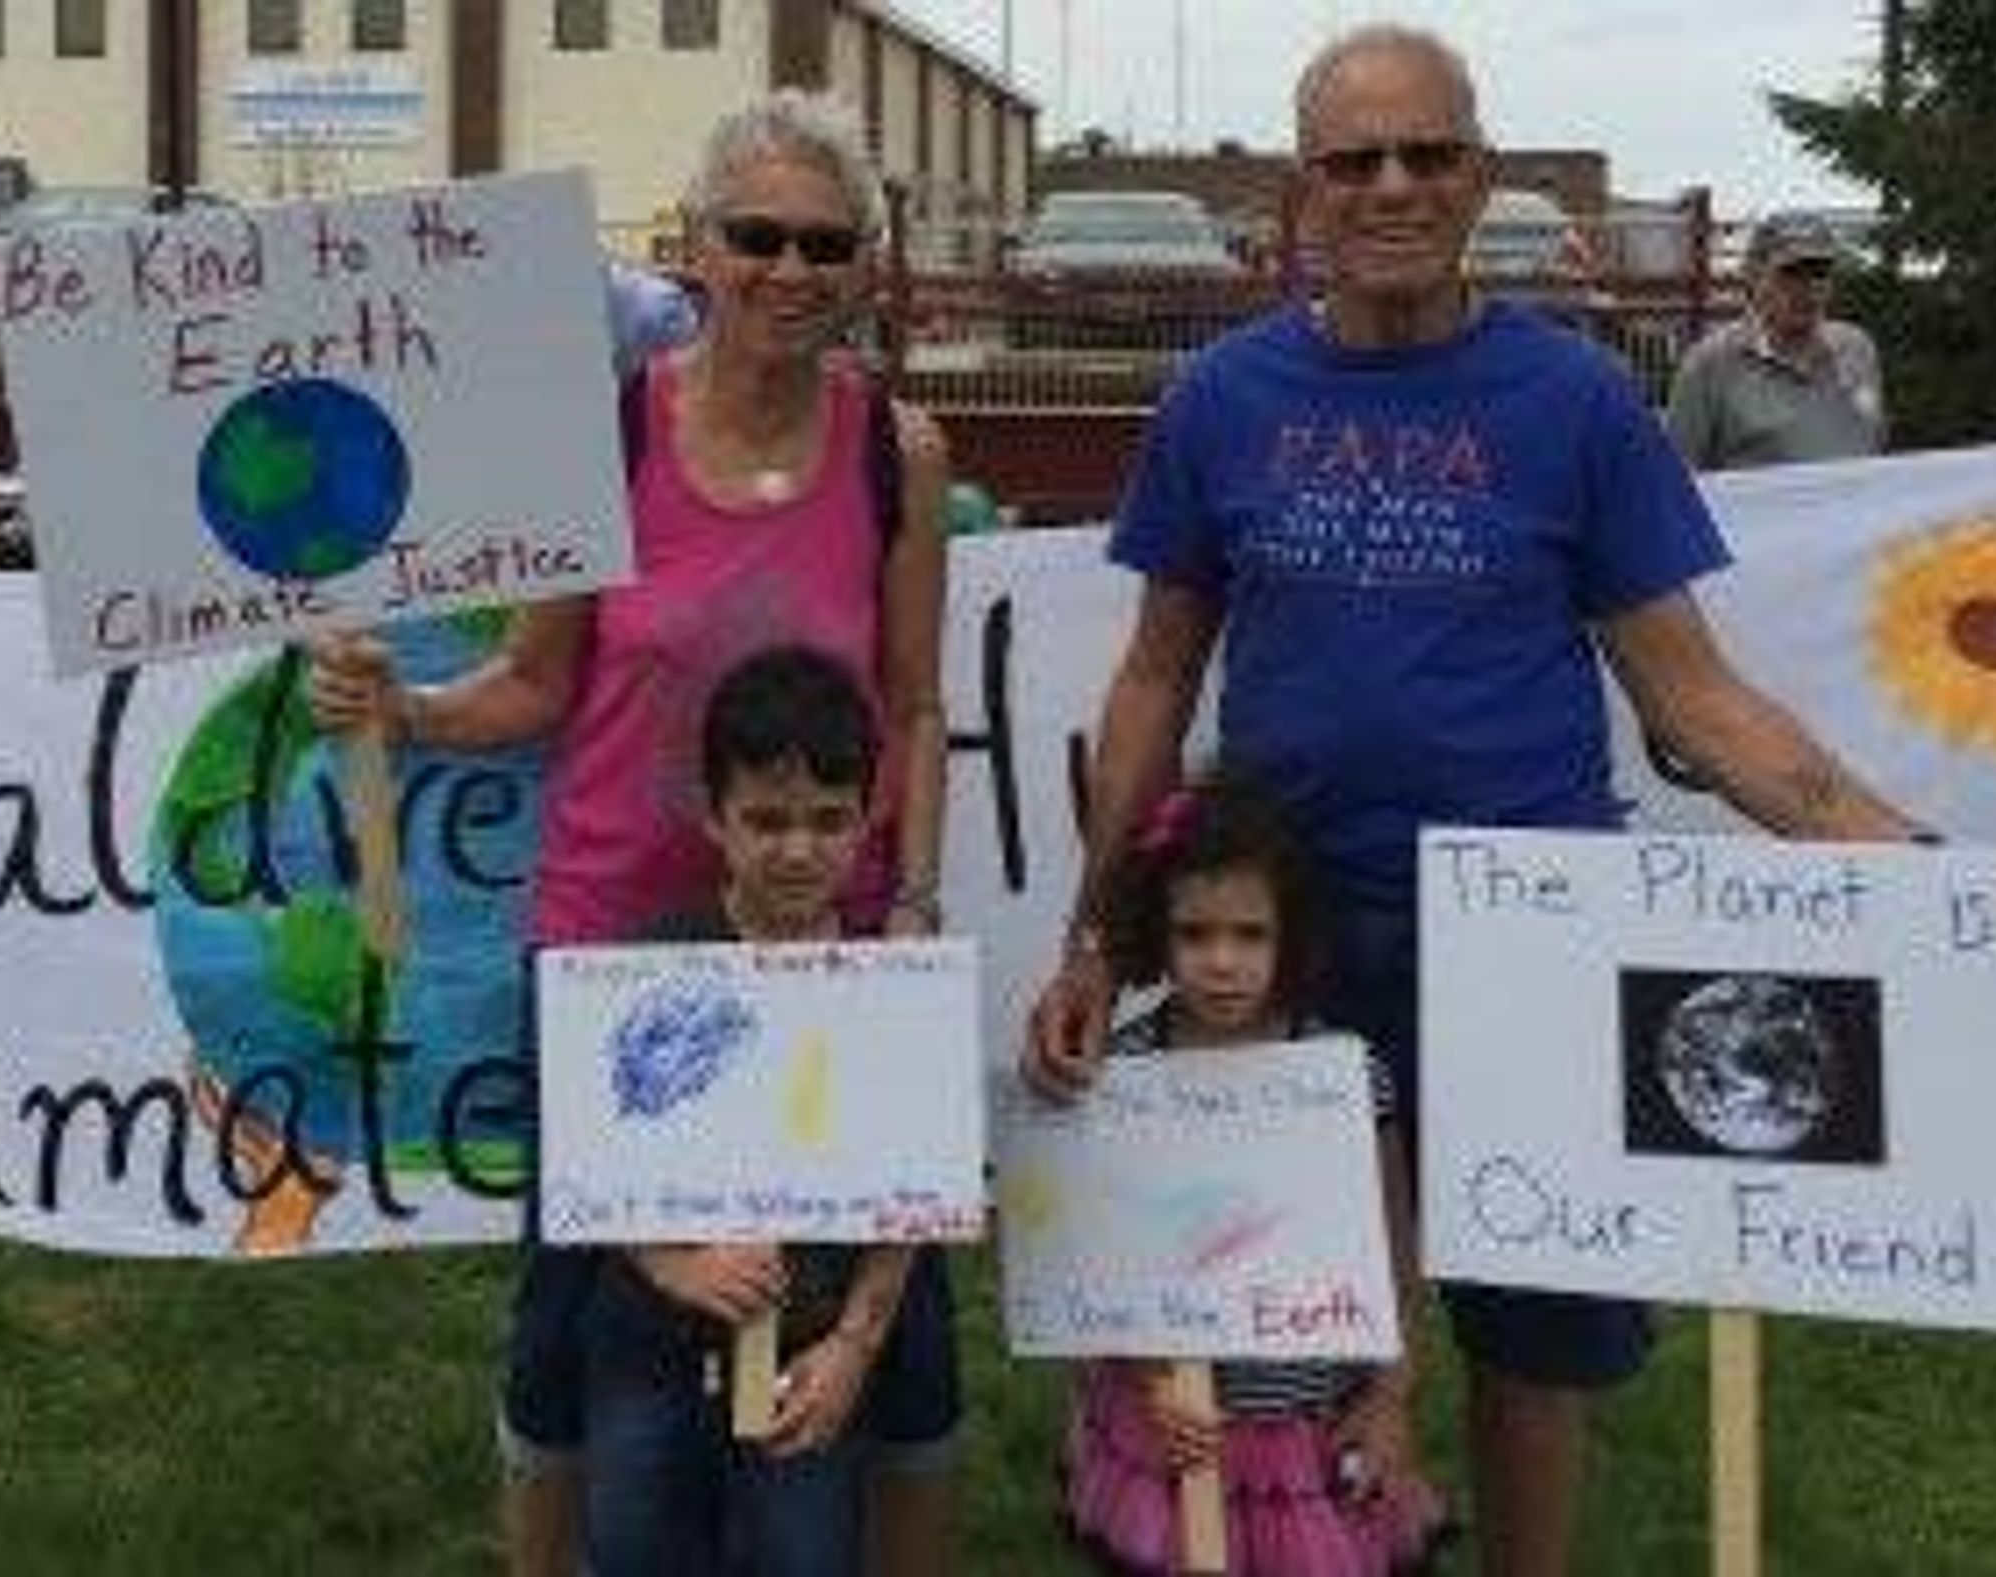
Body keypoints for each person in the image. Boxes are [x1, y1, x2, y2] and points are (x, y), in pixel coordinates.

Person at [1021, 25, 1996, 1577]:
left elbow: (1701, 699)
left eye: (1427, 153)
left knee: (1534, 1338)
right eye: (1353, 159)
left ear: (1478, 171)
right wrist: (1088, 936)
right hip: (1281, 946)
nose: (1391, 184)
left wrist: (1944, 882)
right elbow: (1149, 679)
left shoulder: (1579, 401)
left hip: (1530, 945)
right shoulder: (1218, 399)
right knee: (1277, 1321)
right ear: (1300, 190)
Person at [311, 90, 955, 1577]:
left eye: (825, 242)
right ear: (694, 248)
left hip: (823, 952)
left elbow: (914, 703)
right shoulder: (604, 429)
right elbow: (539, 681)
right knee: (572, 1326)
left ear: (861, 262)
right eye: (757, 237)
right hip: (612, 956)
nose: (790, 271)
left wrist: (909, 893)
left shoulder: (895, 453)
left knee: (892, 1334)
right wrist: (398, 711)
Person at [1060, 770, 1450, 1576]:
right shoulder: (1125, 1071)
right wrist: (1151, 1380)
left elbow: (1393, 1254)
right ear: (1157, 934)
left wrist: (1389, 1395)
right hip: (1169, 1416)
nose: (1222, 961)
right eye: (1195, 934)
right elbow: (1095, 1260)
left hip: (1309, 1423)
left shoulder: (1345, 1076)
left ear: (1291, 934)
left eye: (1249, 934)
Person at [580, 645, 918, 1577]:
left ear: (866, 817)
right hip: (649, 1339)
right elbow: (596, 1162)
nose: (799, 849)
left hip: (811, 1344)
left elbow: (910, 1192)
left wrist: (854, 1344)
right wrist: (675, 1264)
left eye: (828, 820)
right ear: (714, 815)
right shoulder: (654, 960)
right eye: (766, 820)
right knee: (635, 1547)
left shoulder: (891, 988)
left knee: (801, 1556)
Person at [1666, 209, 1885, 470]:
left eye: (1819, 273)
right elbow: (1677, 479)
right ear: (1753, 277)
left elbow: (1874, 447)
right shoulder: (1708, 366)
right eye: (1791, 274)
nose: (1807, 289)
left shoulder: (1858, 348)